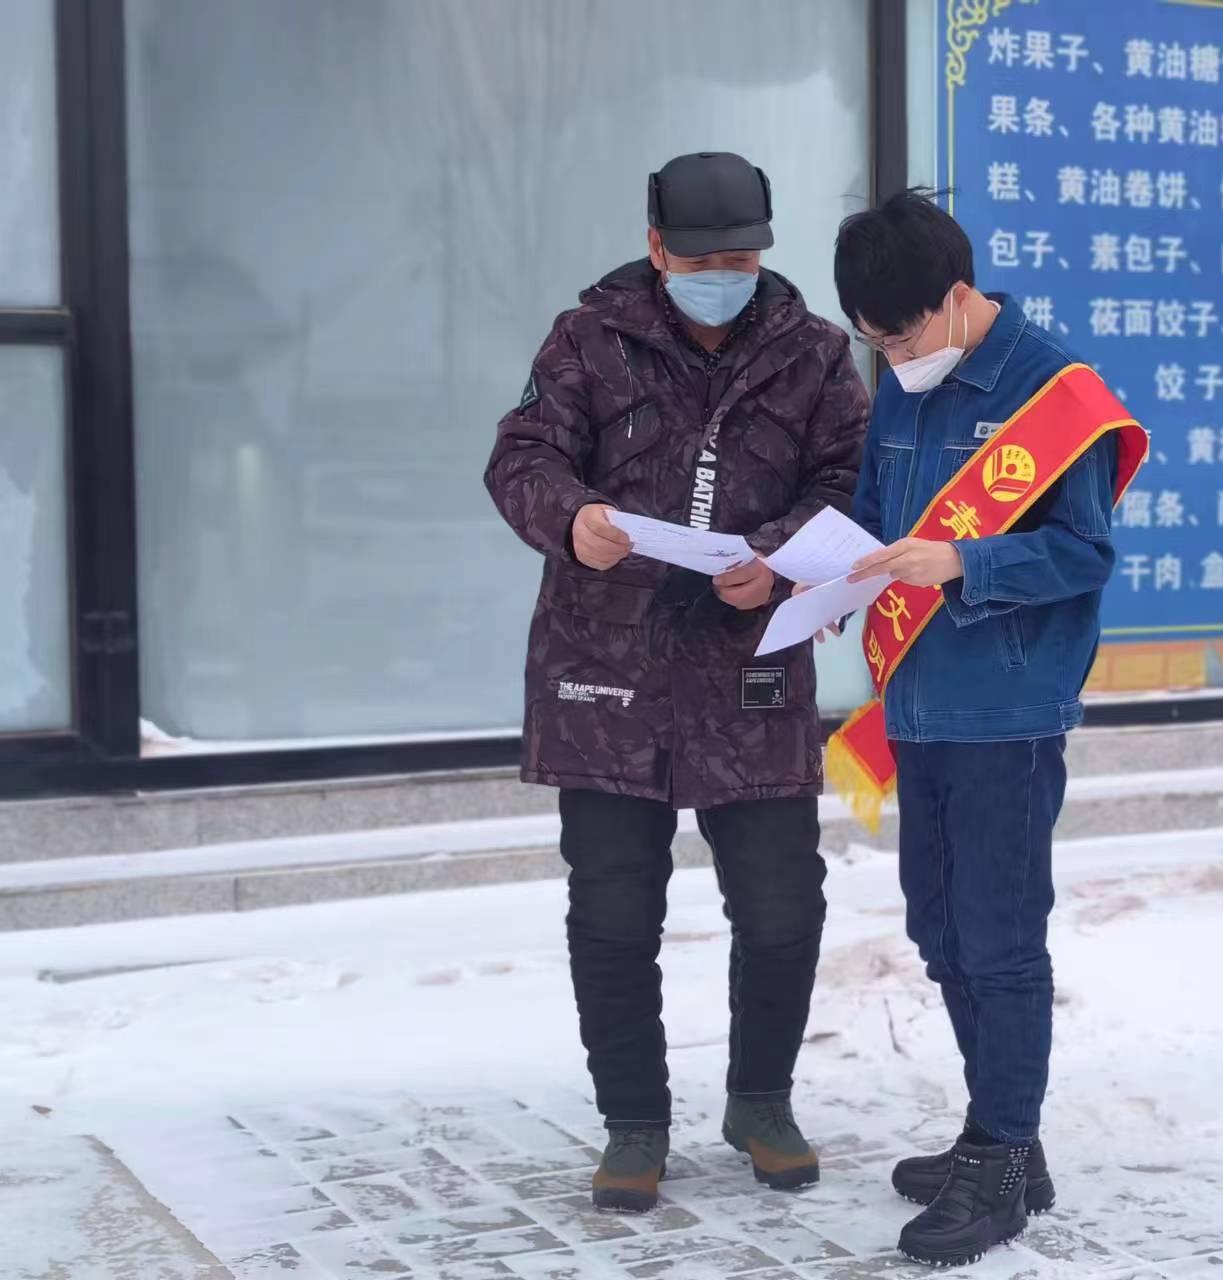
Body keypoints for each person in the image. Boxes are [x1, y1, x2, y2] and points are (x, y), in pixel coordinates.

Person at [484, 151, 869, 1213]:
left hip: (751, 664)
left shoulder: (812, 353)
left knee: (783, 905)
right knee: (613, 914)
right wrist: (574, 519)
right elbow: (520, 458)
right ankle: (633, 1123)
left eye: (741, 260)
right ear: (657, 249)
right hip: (606, 669)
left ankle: (761, 1102)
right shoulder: (587, 340)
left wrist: (780, 558)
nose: (722, 278)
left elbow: (852, 478)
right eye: (701, 262)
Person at [827, 191, 1147, 1267]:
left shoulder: (1056, 395)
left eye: (901, 337)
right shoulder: (903, 376)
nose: (892, 359)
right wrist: (827, 575)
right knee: (939, 930)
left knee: (1000, 939)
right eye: (873, 343)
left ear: (957, 298)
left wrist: (964, 561)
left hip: (1006, 707)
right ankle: (999, 1134)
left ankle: (1004, 1157)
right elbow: (875, 511)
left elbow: (1084, 555)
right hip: (917, 701)